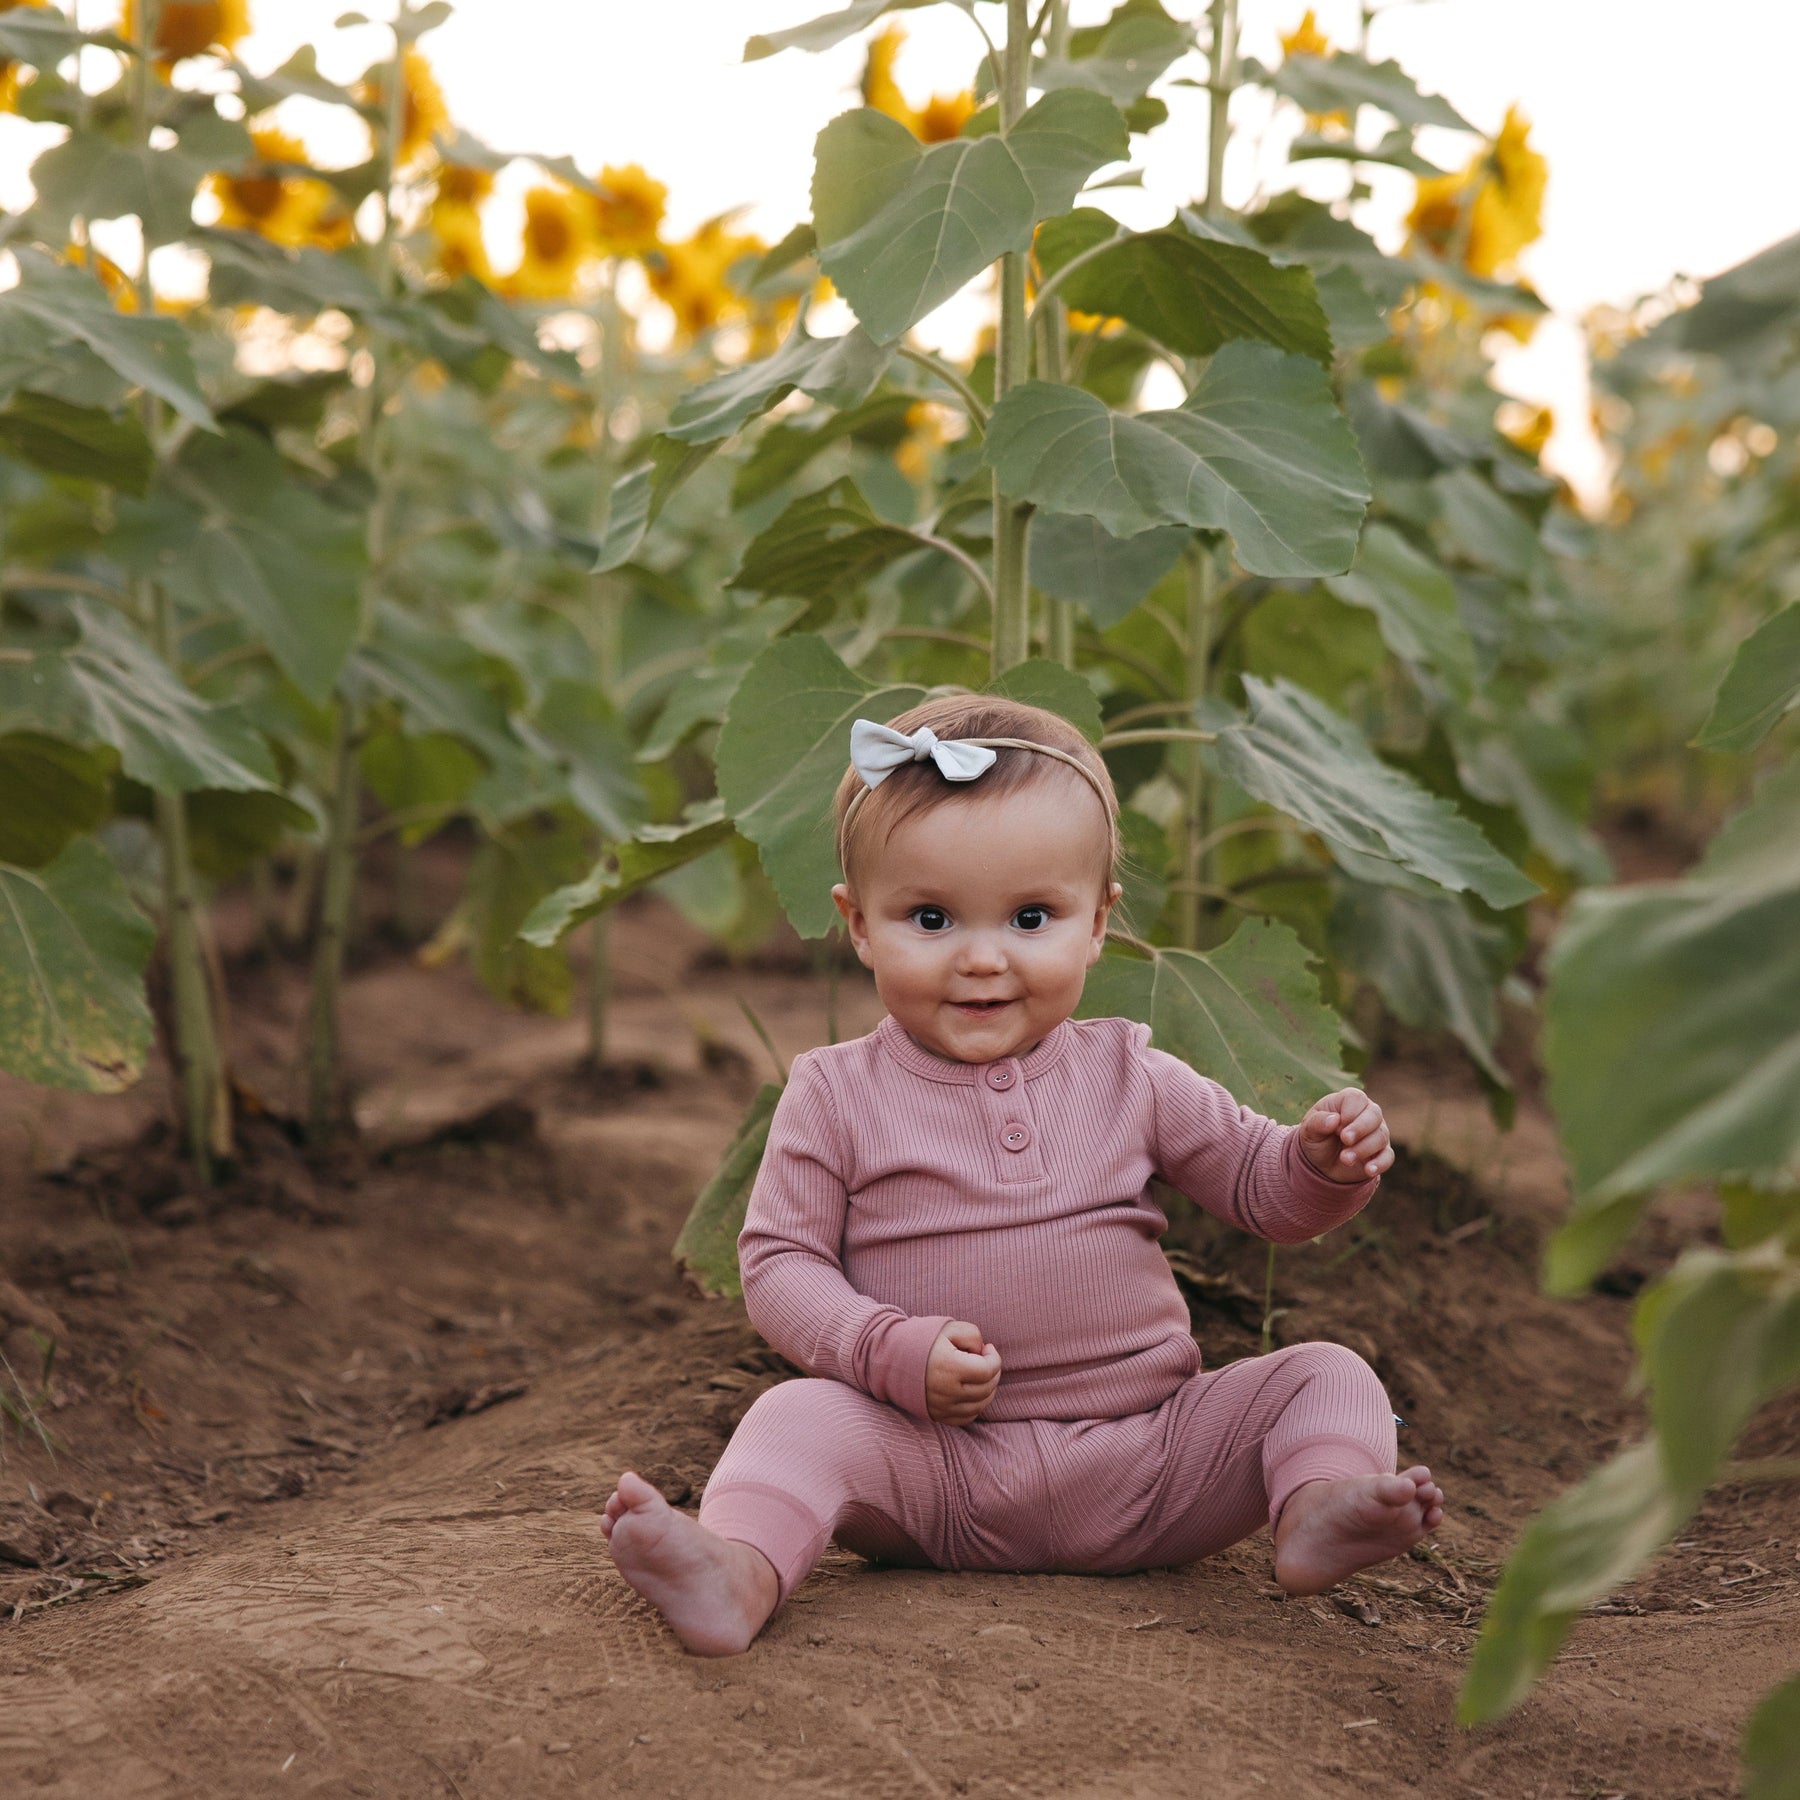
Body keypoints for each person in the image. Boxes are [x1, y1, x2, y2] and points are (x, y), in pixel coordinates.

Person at [601, 695, 1443, 1655]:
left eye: (1032, 916)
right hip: (936, 1468)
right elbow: (779, 1264)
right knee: (797, 1416)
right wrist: (887, 1352)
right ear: (860, 925)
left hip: (1153, 1456)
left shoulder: (1133, 1071)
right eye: (930, 917)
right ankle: (739, 1569)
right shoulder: (833, 1092)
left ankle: (1319, 1507)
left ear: (1097, 925)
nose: (983, 957)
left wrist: (1320, 1164)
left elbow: (1262, 1190)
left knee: (1327, 1376)